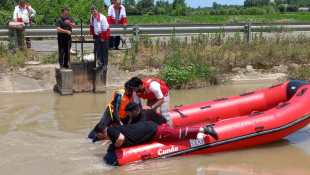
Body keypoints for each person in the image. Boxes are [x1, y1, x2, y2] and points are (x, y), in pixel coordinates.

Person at [93, 102, 218, 165]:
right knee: (176, 133)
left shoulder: (111, 130)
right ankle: (201, 131)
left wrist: (116, 146)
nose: (98, 139)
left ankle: (205, 129)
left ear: (100, 134)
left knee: (178, 134)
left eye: (97, 138)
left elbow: (120, 139)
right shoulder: (113, 130)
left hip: (152, 129)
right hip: (148, 129)